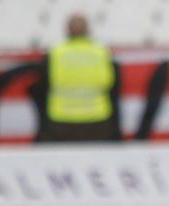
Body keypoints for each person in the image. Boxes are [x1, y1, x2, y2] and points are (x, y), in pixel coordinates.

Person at [42, 13, 120, 142]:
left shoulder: (55, 53)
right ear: (88, 30)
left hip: (61, 119)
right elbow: (110, 83)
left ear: (67, 30)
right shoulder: (101, 52)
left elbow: (45, 83)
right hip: (97, 118)